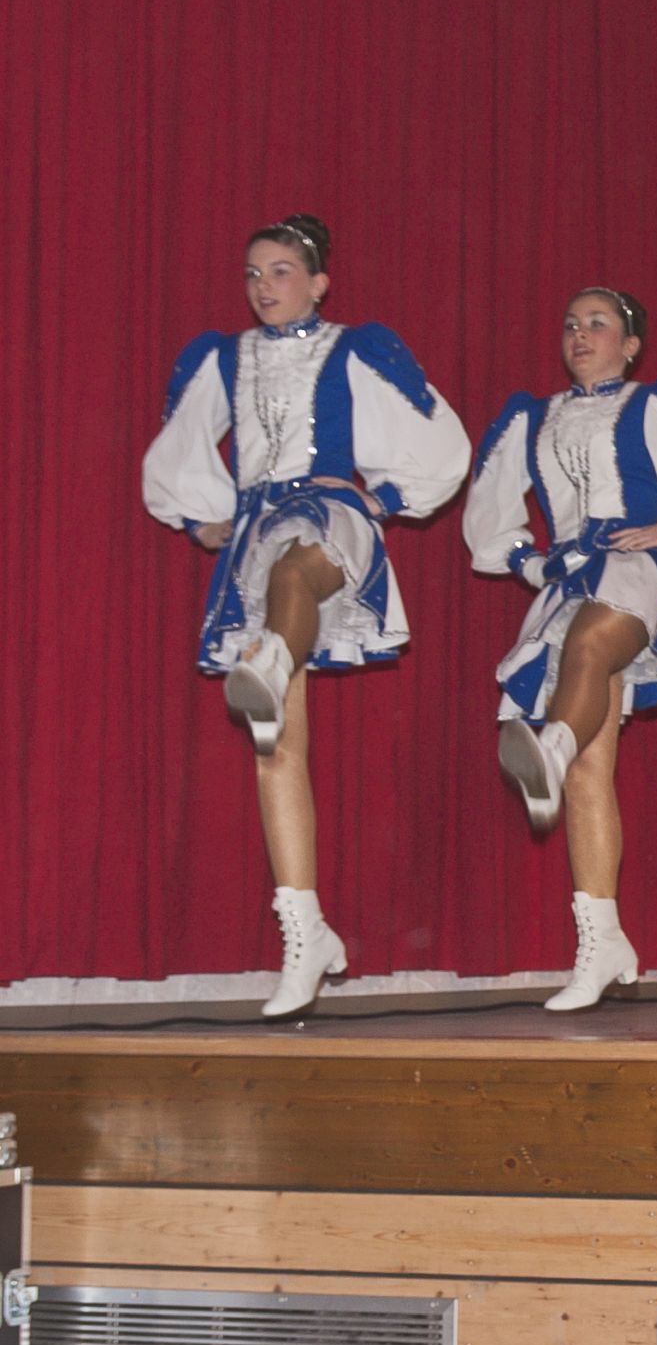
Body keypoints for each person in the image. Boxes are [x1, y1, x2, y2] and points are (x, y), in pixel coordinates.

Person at [141, 213, 471, 1017]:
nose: (264, 286)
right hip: (254, 530)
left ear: (319, 282)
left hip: (330, 514)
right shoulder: (227, 356)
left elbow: (440, 442)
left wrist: (384, 497)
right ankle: (305, 931)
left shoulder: (354, 348)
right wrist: (202, 516)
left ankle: (268, 660)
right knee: (276, 746)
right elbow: (181, 444)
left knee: (298, 566)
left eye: (281, 271)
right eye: (253, 273)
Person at [462, 289, 657, 1011]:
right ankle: (602, 942)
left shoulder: (649, 405)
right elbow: (489, 515)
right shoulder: (534, 417)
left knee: (592, 639)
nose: (580, 333)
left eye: (598, 324)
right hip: (570, 577)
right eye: (571, 323)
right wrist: (527, 562)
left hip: (637, 569)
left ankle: (549, 747)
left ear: (631, 345)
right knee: (589, 774)